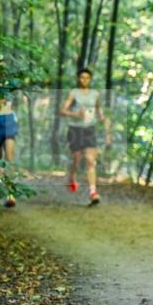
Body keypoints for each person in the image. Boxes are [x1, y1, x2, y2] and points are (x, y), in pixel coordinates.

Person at [59, 68, 111, 205]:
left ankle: (93, 192)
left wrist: (103, 120)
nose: (84, 80)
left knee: (90, 160)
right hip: (75, 129)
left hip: (89, 129)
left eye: (87, 78)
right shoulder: (73, 93)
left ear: (90, 79)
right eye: (82, 77)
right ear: (78, 79)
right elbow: (62, 111)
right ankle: (72, 176)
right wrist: (74, 114)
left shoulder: (95, 94)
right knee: (76, 159)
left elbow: (99, 110)